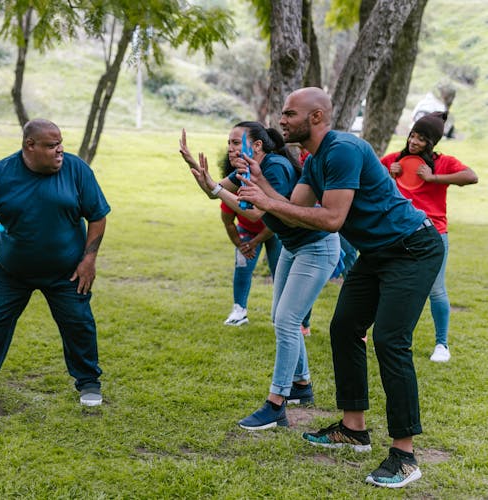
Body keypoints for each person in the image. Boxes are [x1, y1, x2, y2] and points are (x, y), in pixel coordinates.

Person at [236, 87, 444, 488]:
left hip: (413, 248)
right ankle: (354, 429)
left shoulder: (343, 149)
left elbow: (331, 219)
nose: (282, 120)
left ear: (316, 117)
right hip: (378, 253)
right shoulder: (314, 163)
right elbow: (292, 215)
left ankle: (404, 455)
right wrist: (262, 187)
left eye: (289, 113)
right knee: (344, 328)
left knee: (389, 340)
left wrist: (271, 201)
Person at [180, 121, 340, 430]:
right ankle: (301, 384)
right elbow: (216, 193)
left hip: (317, 247)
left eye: (237, 141)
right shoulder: (245, 167)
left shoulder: (275, 167)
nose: (231, 147)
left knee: (287, 321)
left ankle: (276, 404)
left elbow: (255, 212)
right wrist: (201, 176)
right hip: (295, 247)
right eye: (228, 141)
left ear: (257, 146)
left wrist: (213, 187)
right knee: (281, 317)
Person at [0, 119, 111, 408]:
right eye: (51, 146)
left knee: (78, 324)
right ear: (30, 146)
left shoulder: (77, 170)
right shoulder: (1, 174)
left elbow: (97, 215)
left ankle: (88, 383)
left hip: (67, 272)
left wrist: (89, 259)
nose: (59, 150)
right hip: (13, 272)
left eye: (61, 144)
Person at [381, 111, 478, 362]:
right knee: (394, 288)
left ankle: (442, 345)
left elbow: (471, 176)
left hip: (434, 234)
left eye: (421, 139)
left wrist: (433, 178)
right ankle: (394, 338)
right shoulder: (395, 161)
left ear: (431, 143)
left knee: (435, 290)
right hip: (398, 233)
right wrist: (389, 175)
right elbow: (370, 182)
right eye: (412, 135)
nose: (413, 141)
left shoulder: (442, 162)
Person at [217, 154, 282, 327]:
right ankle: (239, 311)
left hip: (274, 231)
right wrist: (241, 245)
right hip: (246, 232)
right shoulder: (230, 195)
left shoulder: (268, 188)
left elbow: (274, 224)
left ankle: (287, 317)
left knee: (280, 271)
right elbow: (229, 223)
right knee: (242, 268)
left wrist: (255, 242)